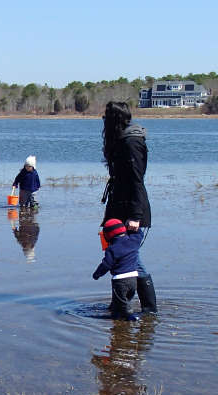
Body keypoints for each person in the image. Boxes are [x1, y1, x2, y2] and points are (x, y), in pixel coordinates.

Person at [101, 101, 157, 313]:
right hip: (118, 208)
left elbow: (136, 180)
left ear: (115, 118)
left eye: (107, 116)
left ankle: (150, 309)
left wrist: (135, 216)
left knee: (131, 259)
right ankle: (119, 303)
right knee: (118, 256)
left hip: (133, 212)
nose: (104, 120)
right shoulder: (121, 140)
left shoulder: (131, 142)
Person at [92, 218, 143, 320]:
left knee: (122, 303)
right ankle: (116, 316)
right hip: (133, 279)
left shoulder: (112, 249)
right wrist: (131, 227)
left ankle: (131, 318)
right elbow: (139, 233)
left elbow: (106, 265)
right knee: (123, 300)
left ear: (108, 236)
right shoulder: (133, 241)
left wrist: (97, 274)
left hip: (120, 281)